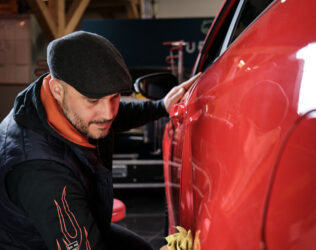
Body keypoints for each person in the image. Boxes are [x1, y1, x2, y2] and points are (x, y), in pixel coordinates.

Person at [0, 31, 201, 250]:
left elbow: (115, 115)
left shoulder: (58, 101)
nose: (107, 113)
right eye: (93, 100)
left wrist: (160, 106)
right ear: (58, 89)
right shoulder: (40, 174)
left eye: (114, 97)